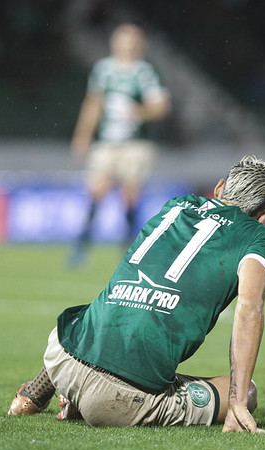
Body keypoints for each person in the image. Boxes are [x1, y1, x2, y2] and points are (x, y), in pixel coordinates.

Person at [9, 156, 265, 433]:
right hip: (115, 400)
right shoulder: (258, 237)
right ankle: (83, 399)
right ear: (263, 214)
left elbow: (205, 264)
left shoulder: (179, 206)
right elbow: (249, 303)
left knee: (106, 311)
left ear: (219, 187)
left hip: (61, 354)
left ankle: (34, 394)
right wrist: (236, 403)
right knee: (247, 392)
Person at [69, 22, 171, 267]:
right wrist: (82, 134)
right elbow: (93, 103)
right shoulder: (103, 69)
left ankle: (127, 249)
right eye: (122, 38)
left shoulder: (145, 72)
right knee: (96, 190)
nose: (126, 43)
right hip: (107, 142)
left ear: (139, 44)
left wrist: (138, 111)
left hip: (135, 144)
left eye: (131, 38)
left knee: (129, 194)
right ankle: (81, 246)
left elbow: (161, 107)